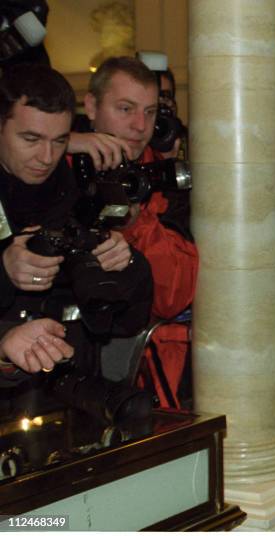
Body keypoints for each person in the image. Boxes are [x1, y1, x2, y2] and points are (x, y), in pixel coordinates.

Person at [0, 63, 153, 413]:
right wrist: (4, 272)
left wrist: (125, 266)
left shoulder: (74, 190)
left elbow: (125, 322)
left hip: (68, 398)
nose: (46, 157)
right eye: (31, 139)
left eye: (60, 141)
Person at [71, 56, 198, 408]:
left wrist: (135, 222)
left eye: (150, 111)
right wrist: (64, 144)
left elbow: (174, 296)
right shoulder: (55, 162)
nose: (139, 125)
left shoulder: (163, 179)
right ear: (92, 106)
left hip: (142, 375)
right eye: (125, 109)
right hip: (53, 361)